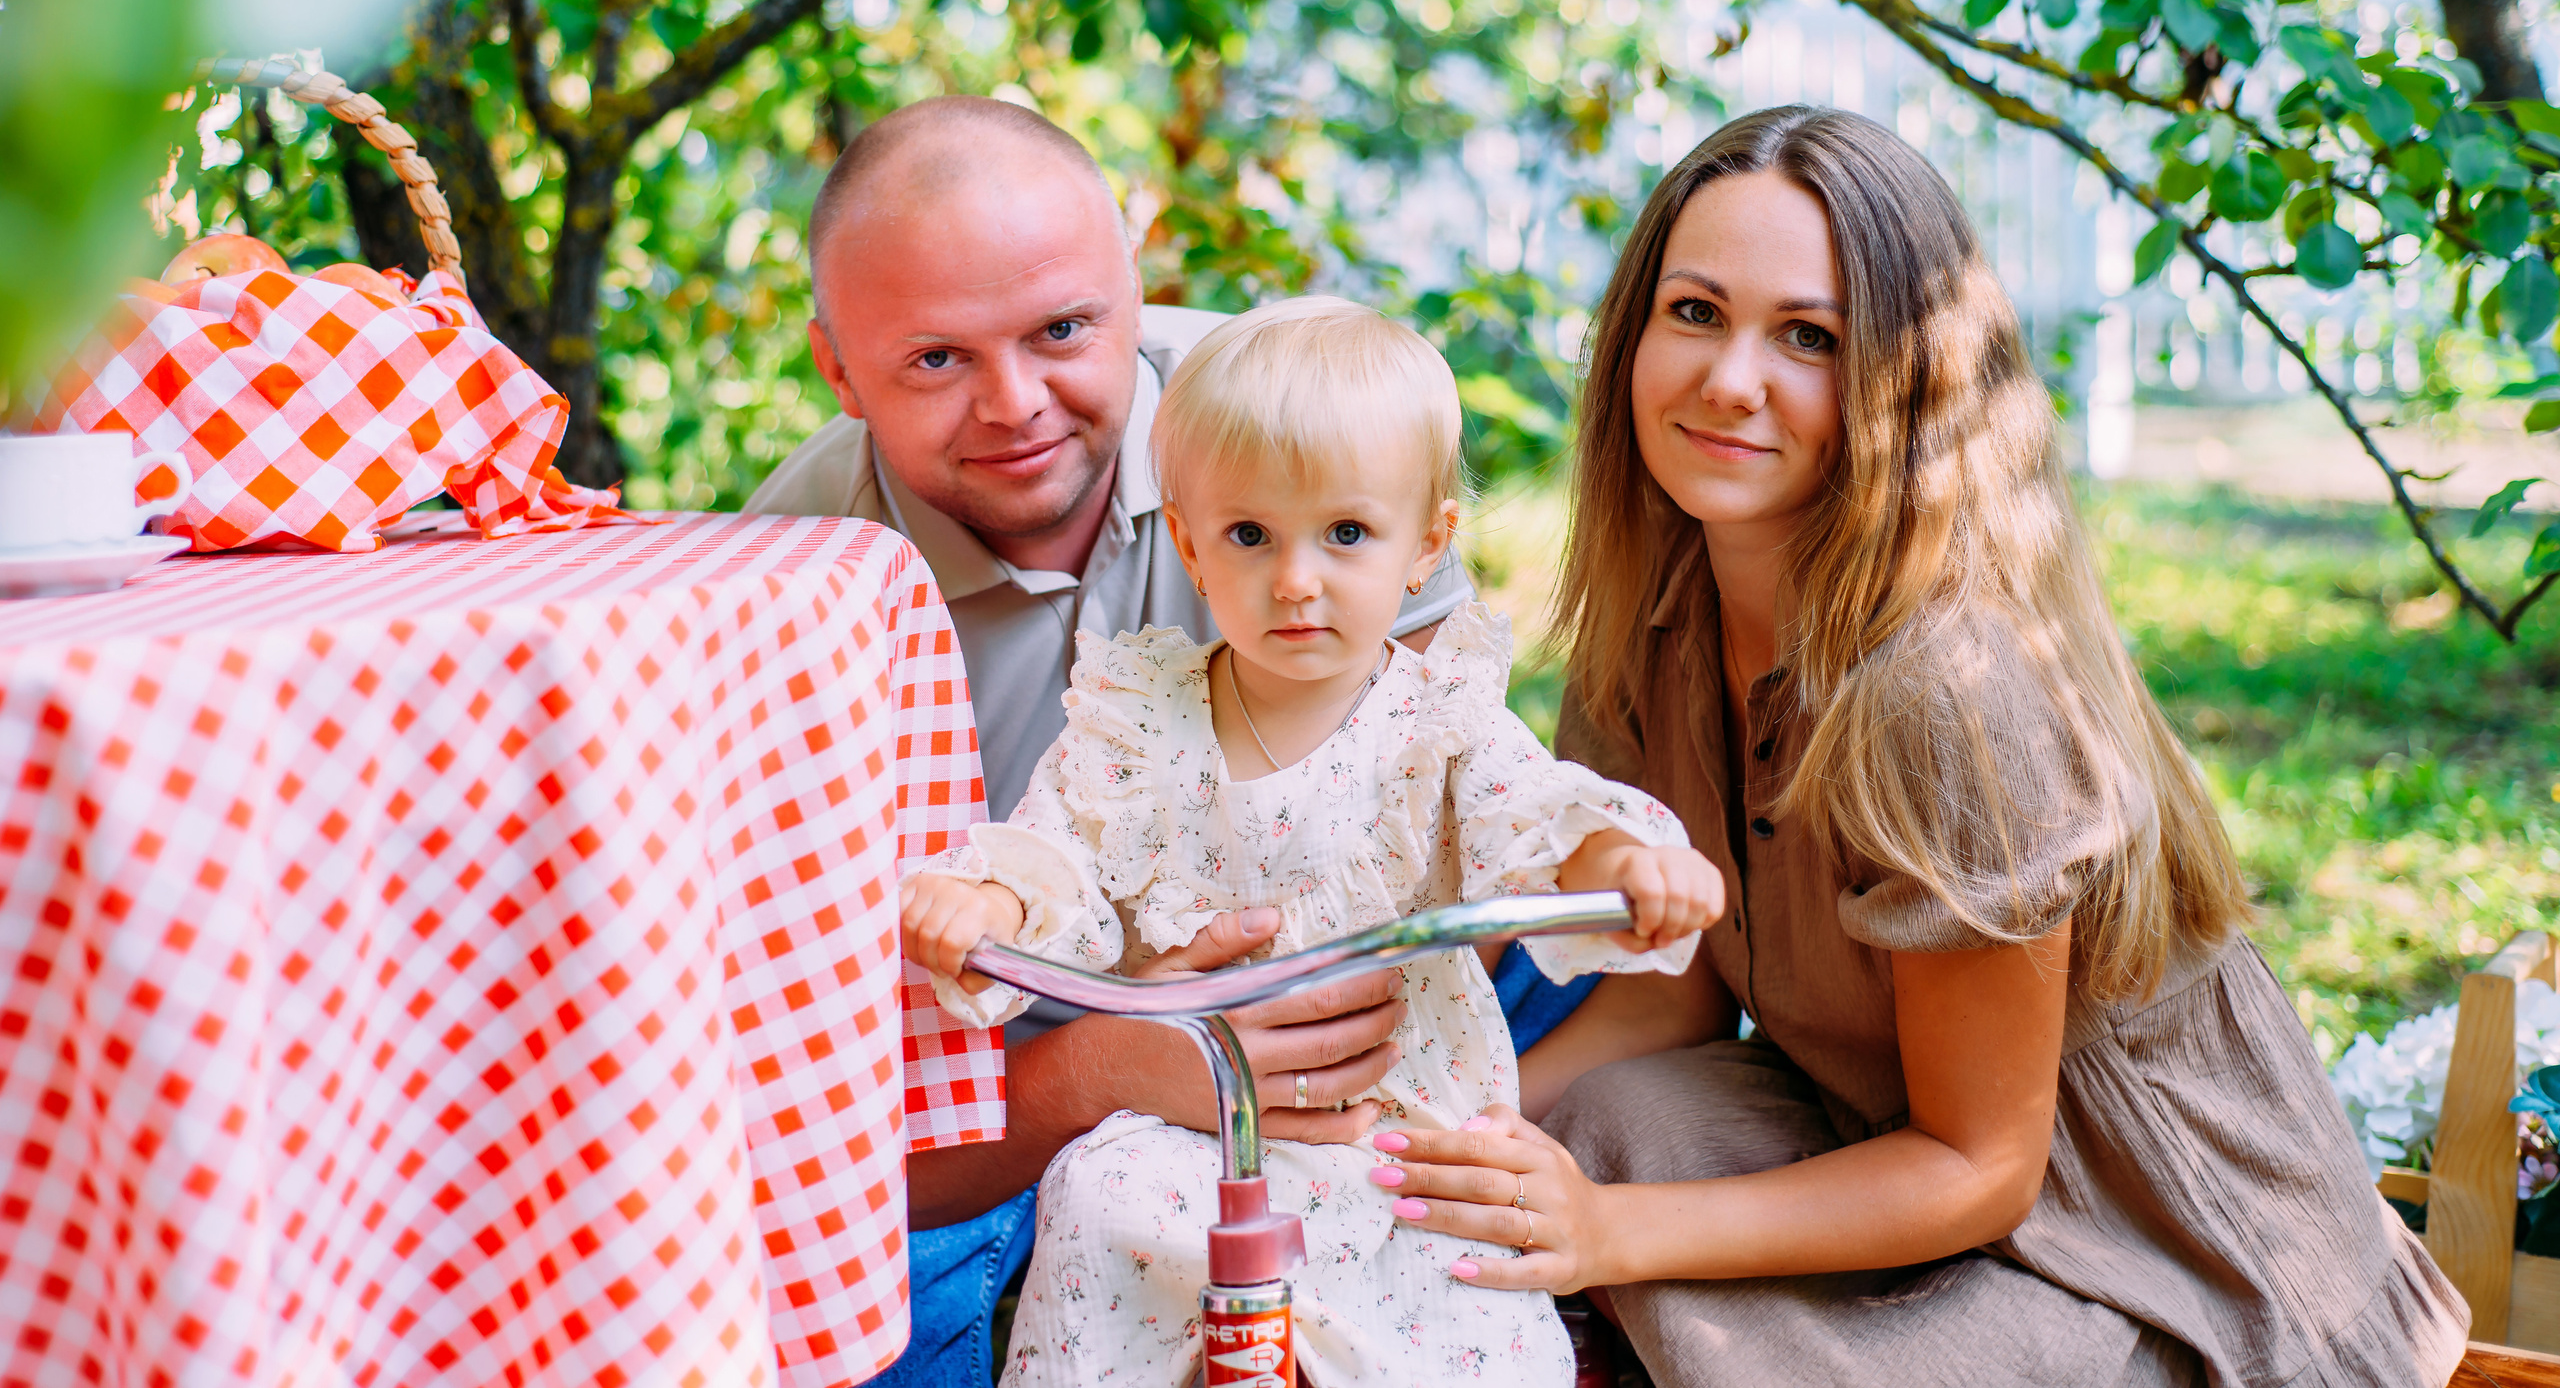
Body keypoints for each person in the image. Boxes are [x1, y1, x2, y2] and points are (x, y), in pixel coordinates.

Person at [1359, 107, 2472, 1386]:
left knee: (1692, 1291)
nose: (1730, 379)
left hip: (2163, 1261)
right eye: (1695, 312)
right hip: (1876, 1145)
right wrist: (1411, 1141)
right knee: (1613, 1118)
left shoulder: (1951, 692)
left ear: (1907, 381)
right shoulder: (1653, 625)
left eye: (1809, 337)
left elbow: (1979, 1164)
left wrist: (1608, 1230)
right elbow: (1671, 999)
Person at [743, 98, 1636, 1385]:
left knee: (1595, 937)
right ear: (838, 370)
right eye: (935, 359)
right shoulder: (788, 589)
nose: (1016, 403)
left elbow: (1448, 777)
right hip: (1010, 1063)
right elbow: (820, 1074)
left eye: (1063, 329)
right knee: (835, 1318)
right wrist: (1122, 1057)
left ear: (1132, 281)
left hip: (1359, 981)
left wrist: (1366, 1096)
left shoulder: (1295, 417)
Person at [899, 296, 1720, 1387]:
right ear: (1191, 544)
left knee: (1460, 1300)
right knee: (1101, 1196)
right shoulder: (1139, 717)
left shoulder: (1439, 721)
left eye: (1345, 534)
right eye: (1250, 536)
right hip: (1193, 1120)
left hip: (1395, 1119)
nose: (1295, 579)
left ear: (1427, 543)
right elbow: (1061, 846)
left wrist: (1621, 864)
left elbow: (1533, 816)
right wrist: (991, 901)